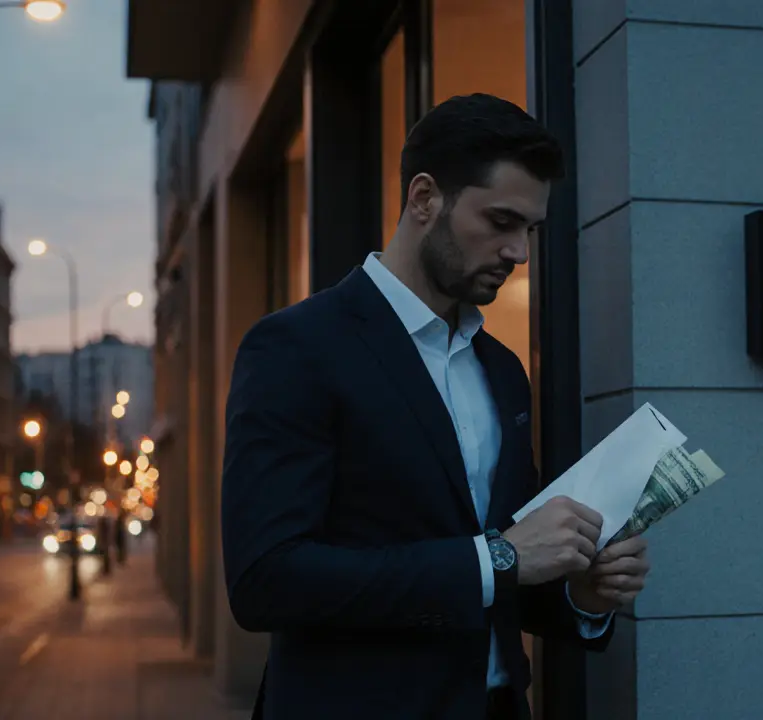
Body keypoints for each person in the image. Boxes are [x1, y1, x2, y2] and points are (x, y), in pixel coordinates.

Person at [220, 93, 653, 720]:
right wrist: (499, 556)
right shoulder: (297, 347)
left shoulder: (501, 370)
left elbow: (509, 574)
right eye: (501, 221)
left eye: (529, 229)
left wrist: (583, 593)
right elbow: (266, 580)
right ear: (424, 198)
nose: (520, 253)